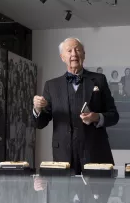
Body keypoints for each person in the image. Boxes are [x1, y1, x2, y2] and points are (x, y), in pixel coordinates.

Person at [33, 37, 119, 174]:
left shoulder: (99, 80)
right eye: (69, 51)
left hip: (96, 153)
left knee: (97, 194)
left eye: (78, 50)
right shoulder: (51, 85)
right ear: (62, 57)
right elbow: (40, 123)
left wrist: (96, 117)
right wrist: (37, 109)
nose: (74, 54)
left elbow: (114, 116)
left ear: (84, 54)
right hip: (63, 156)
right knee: (63, 195)